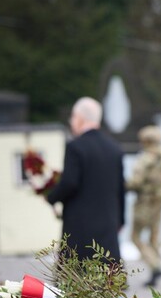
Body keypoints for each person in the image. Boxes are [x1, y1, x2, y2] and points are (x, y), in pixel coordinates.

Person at [46, 96, 126, 263]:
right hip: (107, 227)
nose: (71, 122)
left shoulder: (76, 147)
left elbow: (70, 182)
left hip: (80, 228)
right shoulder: (114, 148)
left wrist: (51, 196)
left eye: (73, 117)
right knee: (106, 280)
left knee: (74, 281)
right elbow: (120, 188)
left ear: (80, 118)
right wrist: (120, 220)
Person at [126, 125, 161, 287]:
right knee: (154, 236)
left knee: (135, 236)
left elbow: (136, 182)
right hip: (159, 201)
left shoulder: (146, 159)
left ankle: (155, 266)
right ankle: (155, 272)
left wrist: (124, 185)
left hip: (144, 202)